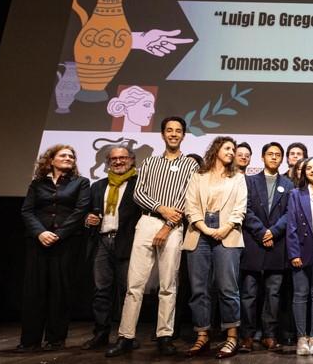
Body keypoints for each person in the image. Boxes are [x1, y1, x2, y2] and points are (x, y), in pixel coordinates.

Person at [106, 116, 199, 357]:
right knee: (134, 284)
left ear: (183, 135)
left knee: (168, 285)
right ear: (162, 134)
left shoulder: (191, 166)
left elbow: (187, 199)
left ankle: (164, 336)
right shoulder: (149, 162)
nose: (174, 134)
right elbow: (139, 193)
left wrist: (168, 225)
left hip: (174, 227)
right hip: (147, 221)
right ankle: (126, 336)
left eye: (178, 131)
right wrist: (160, 208)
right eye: (169, 130)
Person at [16, 145, 90, 352]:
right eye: (63, 155)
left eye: (71, 156)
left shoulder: (81, 183)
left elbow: (80, 210)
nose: (68, 158)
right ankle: (30, 340)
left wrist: (59, 234)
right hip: (38, 242)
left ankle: (56, 338)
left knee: (60, 290)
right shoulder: (38, 184)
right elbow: (27, 211)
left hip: (66, 242)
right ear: (51, 160)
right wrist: (40, 233)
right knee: (34, 290)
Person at [183, 136, 247, 358]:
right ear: (216, 149)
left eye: (234, 149)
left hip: (227, 235)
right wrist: (205, 229)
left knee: (228, 288)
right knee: (199, 289)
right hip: (199, 235)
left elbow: (240, 208)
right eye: (228, 148)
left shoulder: (238, 178)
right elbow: (190, 207)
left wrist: (226, 227)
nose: (232, 152)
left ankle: (231, 337)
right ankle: (202, 336)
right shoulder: (198, 176)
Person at [81, 146, 142, 351]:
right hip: (101, 241)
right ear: (107, 162)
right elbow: (88, 213)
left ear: (132, 160)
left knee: (128, 291)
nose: (118, 161)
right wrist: (87, 219)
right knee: (101, 291)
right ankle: (101, 334)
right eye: (113, 158)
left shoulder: (139, 184)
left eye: (123, 157)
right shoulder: (98, 186)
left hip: (128, 242)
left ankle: (127, 336)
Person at [239, 142, 293, 352]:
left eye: (278, 155)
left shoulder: (288, 185)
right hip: (254, 242)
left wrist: (274, 232)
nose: (274, 157)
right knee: (249, 293)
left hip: (277, 245)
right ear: (262, 157)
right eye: (270, 154)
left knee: (273, 293)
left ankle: (269, 335)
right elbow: (246, 209)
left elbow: (290, 213)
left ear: (282, 159)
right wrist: (262, 232)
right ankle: (247, 335)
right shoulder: (249, 181)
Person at [286, 157, 313, 356]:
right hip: (303, 245)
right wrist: (294, 253)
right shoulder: (296, 193)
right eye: (309, 168)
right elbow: (292, 225)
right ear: (304, 173)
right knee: (300, 293)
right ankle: (301, 337)